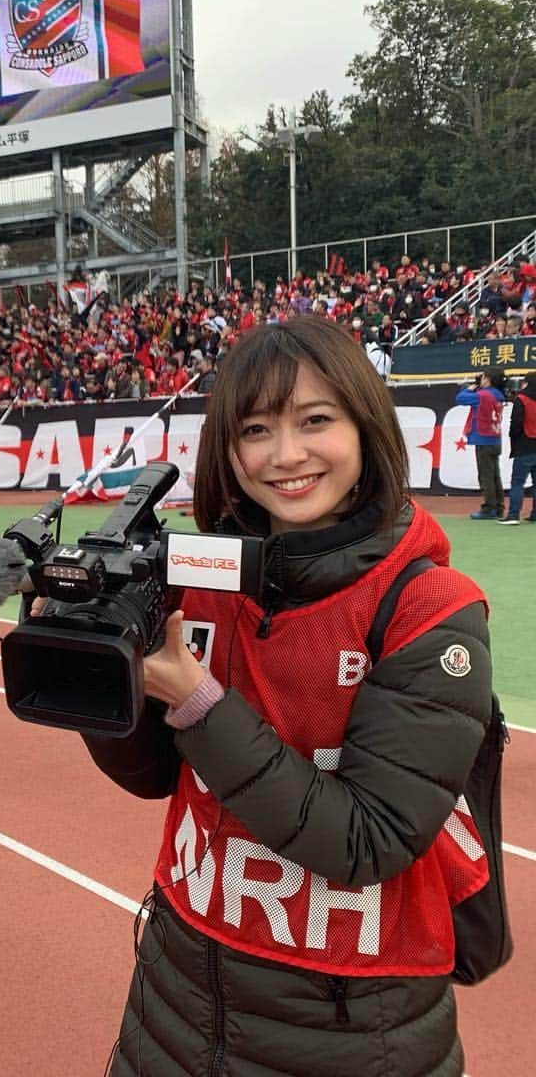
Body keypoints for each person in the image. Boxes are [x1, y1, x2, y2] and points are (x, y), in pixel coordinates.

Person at [77, 317, 493, 1076]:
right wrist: (98, 662)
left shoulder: (430, 608)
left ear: (366, 428)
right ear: (229, 454)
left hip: (354, 1020)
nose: (286, 456)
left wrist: (198, 701)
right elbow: (147, 776)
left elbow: (369, 841)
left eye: (315, 421)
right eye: (256, 430)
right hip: (177, 992)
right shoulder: (201, 576)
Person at [455, 371, 505, 519]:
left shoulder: (483, 395)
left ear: (488, 379)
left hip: (483, 439)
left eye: (482, 378)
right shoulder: (498, 395)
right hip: (495, 438)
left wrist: (470, 388)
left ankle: (489, 508)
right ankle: (498, 506)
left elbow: (460, 399)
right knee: (495, 475)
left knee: (486, 476)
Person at [498, 373, 536, 524]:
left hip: (524, 446)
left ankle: (513, 515)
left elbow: (516, 424)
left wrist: (513, 438)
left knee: (517, 482)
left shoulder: (521, 399)